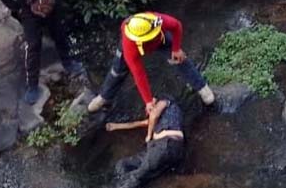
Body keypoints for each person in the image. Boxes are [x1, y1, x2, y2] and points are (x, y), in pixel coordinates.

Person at [87, 12, 215, 114]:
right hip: (135, 48)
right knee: (117, 72)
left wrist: (176, 49)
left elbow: (177, 26)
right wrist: (148, 101)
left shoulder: (158, 20)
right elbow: (139, 74)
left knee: (180, 60)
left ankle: (202, 88)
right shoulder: (129, 45)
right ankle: (104, 98)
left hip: (162, 40)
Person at [81, 95, 185, 188]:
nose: (147, 111)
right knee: (124, 165)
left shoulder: (167, 101)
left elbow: (154, 114)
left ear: (154, 100)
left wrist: (148, 135)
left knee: (138, 175)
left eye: (148, 106)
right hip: (161, 150)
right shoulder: (161, 119)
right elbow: (141, 122)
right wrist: (116, 126)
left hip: (166, 144)